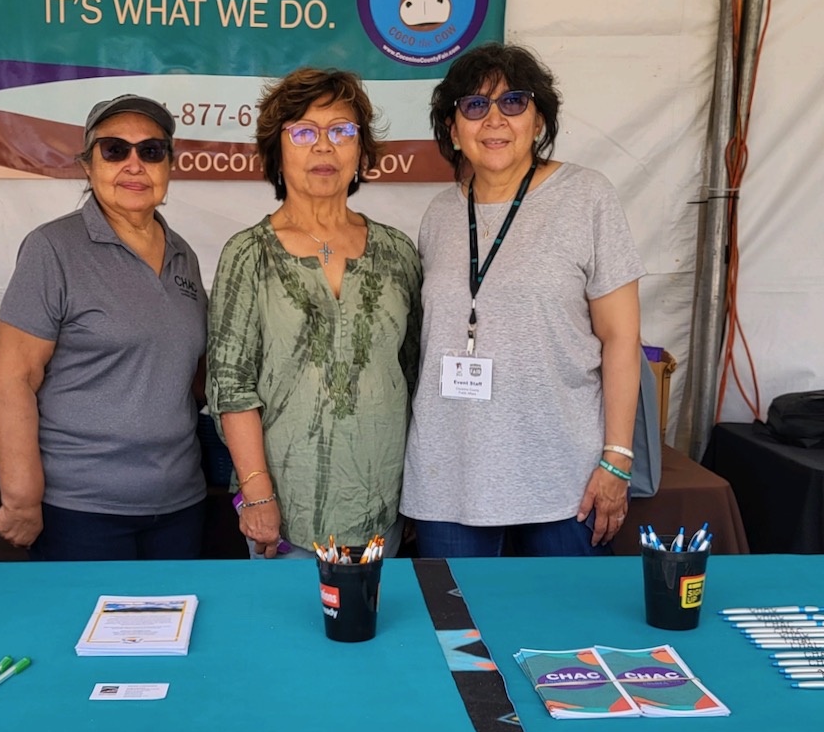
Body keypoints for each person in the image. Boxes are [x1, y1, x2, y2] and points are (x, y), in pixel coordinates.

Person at [400, 43, 646, 557]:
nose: (494, 119)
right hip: (449, 477)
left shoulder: (586, 198)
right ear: (452, 128)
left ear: (538, 121)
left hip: (564, 478)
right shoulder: (440, 214)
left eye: (513, 102)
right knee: (458, 635)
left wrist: (617, 459)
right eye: (474, 105)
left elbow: (621, 338)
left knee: (562, 631)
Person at [206, 68, 422, 558]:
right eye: (304, 132)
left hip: (381, 506)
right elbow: (230, 385)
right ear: (277, 152)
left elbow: (412, 373)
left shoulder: (397, 252)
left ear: (361, 152)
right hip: (286, 513)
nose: (324, 147)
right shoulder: (248, 254)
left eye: (342, 131)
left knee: (374, 630)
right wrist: (257, 494)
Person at [0, 94, 208, 560]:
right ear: (88, 165)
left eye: (151, 151)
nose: (134, 164)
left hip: (179, 503)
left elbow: (195, 375)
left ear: (169, 167)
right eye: (114, 149)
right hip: (81, 510)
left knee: (176, 631)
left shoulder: (183, 254)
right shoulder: (53, 249)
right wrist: (21, 497)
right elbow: (13, 378)